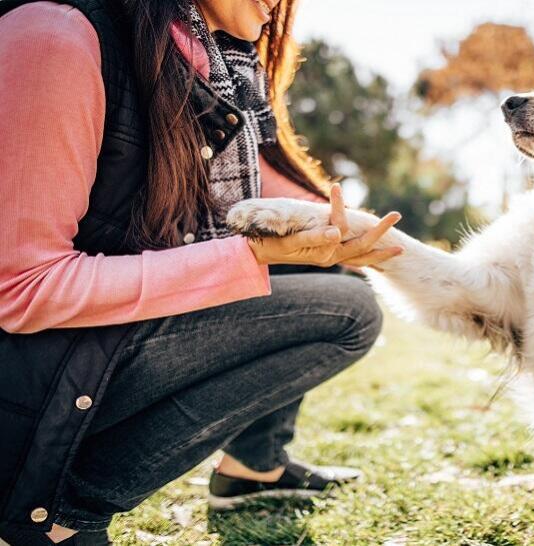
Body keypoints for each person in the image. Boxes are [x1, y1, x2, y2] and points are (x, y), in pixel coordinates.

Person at [0, 1, 404, 544]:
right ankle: (58, 511)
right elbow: (20, 290)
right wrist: (249, 259)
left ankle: (252, 469)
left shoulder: (210, 68)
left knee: (335, 280)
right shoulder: (56, 35)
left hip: (89, 346)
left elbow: (275, 194)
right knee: (344, 312)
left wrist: (356, 236)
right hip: (32, 369)